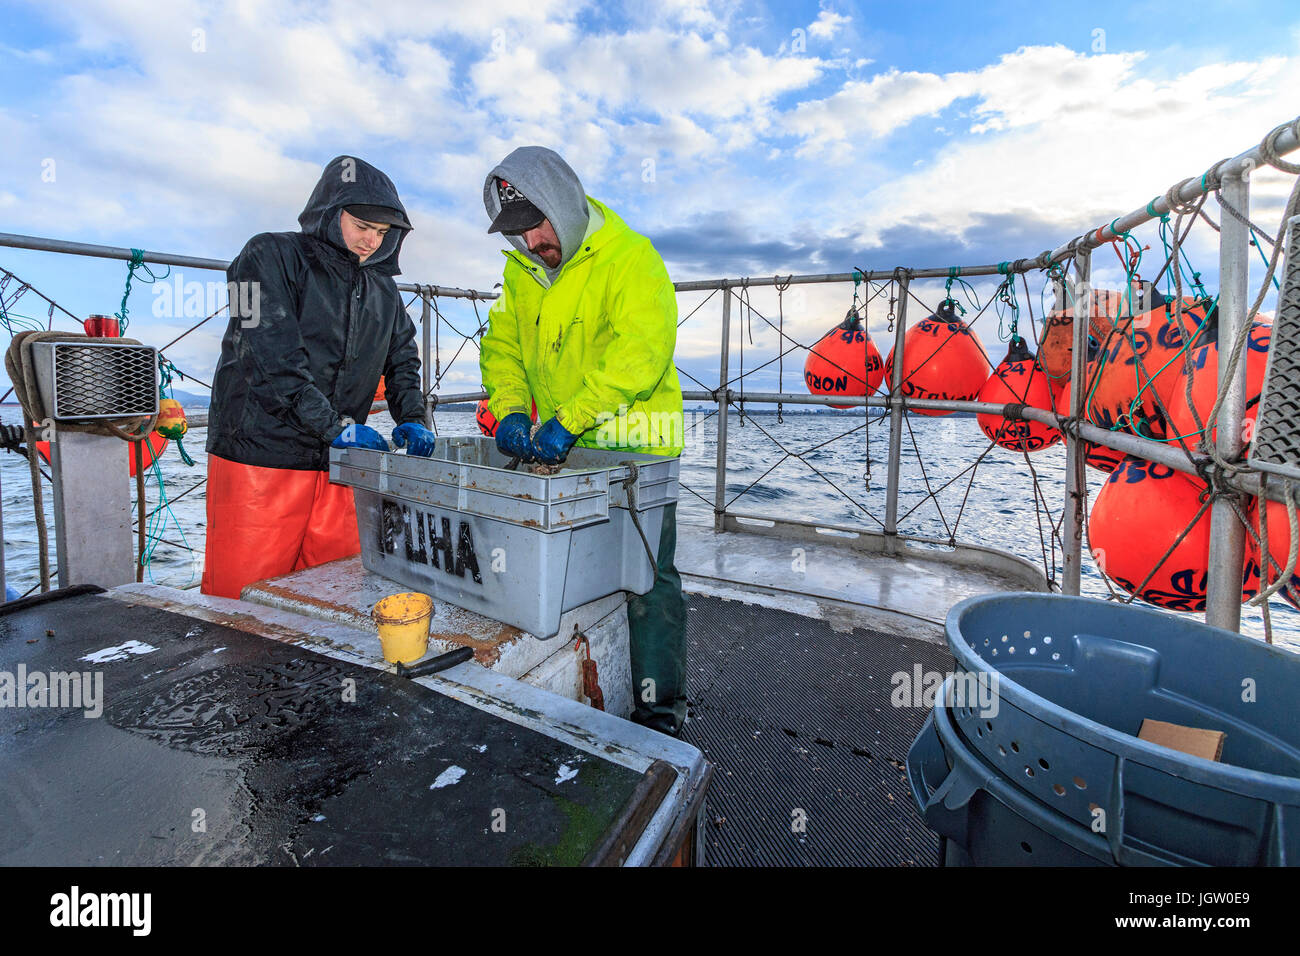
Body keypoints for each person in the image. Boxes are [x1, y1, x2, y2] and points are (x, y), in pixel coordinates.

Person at [478, 146, 687, 736]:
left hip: (636, 449)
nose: (531, 241)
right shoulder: (522, 274)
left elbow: (640, 353)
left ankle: (661, 714)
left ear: (565, 203)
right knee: (566, 565)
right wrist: (513, 408)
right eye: (517, 232)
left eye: (537, 223)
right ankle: (576, 700)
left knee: (649, 581)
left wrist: (571, 417)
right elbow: (503, 350)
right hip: (560, 448)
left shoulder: (631, 258)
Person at [201, 155, 437, 599]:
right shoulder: (266, 255)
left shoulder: (383, 290)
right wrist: (338, 428)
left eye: (382, 233)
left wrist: (414, 416)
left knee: (332, 593)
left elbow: (403, 360)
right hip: (260, 458)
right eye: (361, 226)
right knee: (241, 598)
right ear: (330, 211)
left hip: (340, 467)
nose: (371, 241)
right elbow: (269, 361)